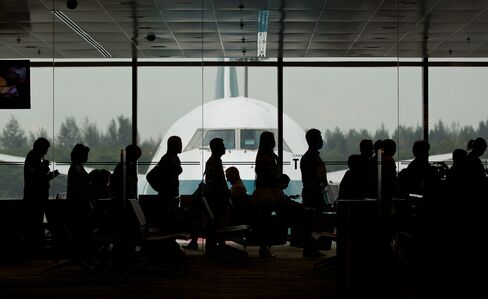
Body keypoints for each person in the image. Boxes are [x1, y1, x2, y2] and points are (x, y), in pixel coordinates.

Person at [23, 137, 60, 245]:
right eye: (45, 149)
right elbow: (36, 179)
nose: (46, 152)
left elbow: (36, 178)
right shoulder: (32, 159)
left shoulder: (32, 159)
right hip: (35, 199)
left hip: (35, 198)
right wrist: (44, 169)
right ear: (40, 148)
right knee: (35, 223)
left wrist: (47, 173)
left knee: (36, 223)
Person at [300, 128, 327, 257]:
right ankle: (311, 249)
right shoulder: (312, 158)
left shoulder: (309, 157)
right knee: (314, 222)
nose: (322, 141)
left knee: (312, 222)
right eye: (320, 139)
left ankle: (311, 248)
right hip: (313, 194)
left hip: (312, 192)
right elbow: (314, 176)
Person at [254, 131, 281, 258]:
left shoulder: (261, 156)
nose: (275, 141)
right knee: (266, 221)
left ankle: (264, 247)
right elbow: (271, 174)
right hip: (268, 193)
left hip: (262, 193)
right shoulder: (267, 157)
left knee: (264, 220)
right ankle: (264, 248)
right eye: (272, 139)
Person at [204, 138, 230, 254]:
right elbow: (217, 183)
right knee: (216, 224)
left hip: (216, 199)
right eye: (222, 146)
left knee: (215, 224)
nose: (224, 148)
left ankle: (214, 248)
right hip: (217, 200)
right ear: (217, 148)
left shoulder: (214, 161)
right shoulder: (214, 162)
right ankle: (214, 248)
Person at [67, 143, 91, 239]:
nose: (87, 157)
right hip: (79, 208)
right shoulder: (77, 168)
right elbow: (79, 189)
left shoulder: (76, 167)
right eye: (86, 154)